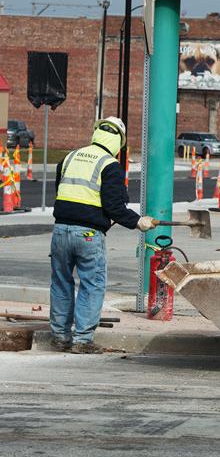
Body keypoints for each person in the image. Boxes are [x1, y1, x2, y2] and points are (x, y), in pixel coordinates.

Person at [49, 117, 157, 354]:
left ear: (96, 133)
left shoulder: (69, 158)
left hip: (60, 230)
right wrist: (138, 222)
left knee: (60, 282)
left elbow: (62, 193)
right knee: (92, 284)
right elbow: (114, 207)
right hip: (88, 234)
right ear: (118, 141)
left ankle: (59, 337)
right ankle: (82, 340)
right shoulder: (110, 165)